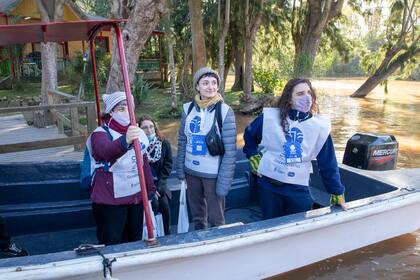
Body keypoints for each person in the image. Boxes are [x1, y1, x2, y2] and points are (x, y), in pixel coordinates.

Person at [243, 78, 347, 220]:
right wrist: (253, 156)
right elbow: (249, 134)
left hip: (297, 187)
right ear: (289, 99)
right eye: (300, 93)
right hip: (268, 185)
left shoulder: (319, 127)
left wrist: (336, 191)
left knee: (298, 223)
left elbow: (327, 162)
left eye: (309, 92)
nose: (307, 97)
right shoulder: (270, 118)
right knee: (270, 225)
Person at [89, 91, 156, 245]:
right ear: (111, 112)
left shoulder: (138, 132)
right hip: (110, 200)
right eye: (121, 109)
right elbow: (105, 151)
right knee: (112, 242)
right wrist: (125, 141)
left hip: (136, 197)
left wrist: (150, 189)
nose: (126, 112)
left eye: (129, 108)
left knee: (134, 240)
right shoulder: (100, 134)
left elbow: (143, 162)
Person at [176, 67, 237, 230]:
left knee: (216, 219)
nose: (210, 86)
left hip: (213, 174)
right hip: (191, 172)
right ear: (197, 87)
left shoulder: (224, 111)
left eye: (214, 83)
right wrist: (180, 170)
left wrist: (224, 182)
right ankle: (199, 242)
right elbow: (182, 140)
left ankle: (218, 247)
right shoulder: (187, 109)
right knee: (197, 217)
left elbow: (230, 153)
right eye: (205, 83)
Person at [139, 115, 173, 235]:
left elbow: (168, 165)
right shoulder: (137, 146)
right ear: (139, 129)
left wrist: (160, 186)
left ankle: (166, 233)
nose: (149, 130)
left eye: (151, 127)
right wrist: (150, 188)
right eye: (145, 128)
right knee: (153, 203)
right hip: (143, 185)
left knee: (163, 204)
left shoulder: (164, 143)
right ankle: (150, 234)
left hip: (159, 182)